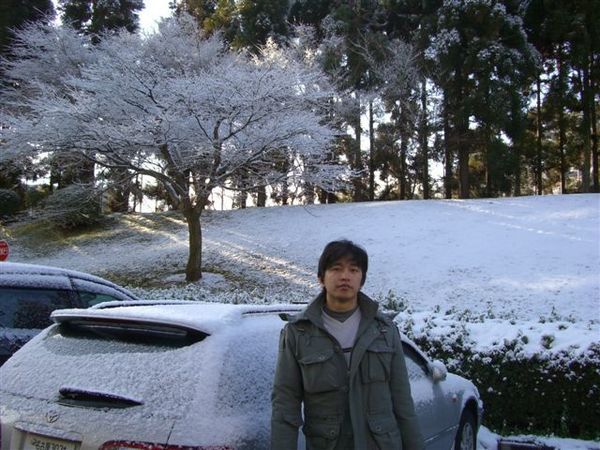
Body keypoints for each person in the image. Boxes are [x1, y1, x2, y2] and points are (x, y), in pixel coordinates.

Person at [271, 240, 425, 450]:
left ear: (361, 279)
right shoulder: (298, 333)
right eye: (336, 269)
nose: (345, 276)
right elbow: (285, 406)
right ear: (321, 278)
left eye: (354, 270)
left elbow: (403, 404)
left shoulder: (384, 331)